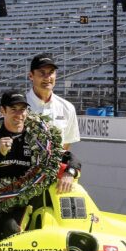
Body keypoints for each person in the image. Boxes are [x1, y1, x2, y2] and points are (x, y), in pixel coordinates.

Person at [0, 91, 64, 247]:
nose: (19, 114)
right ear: (2, 111)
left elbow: (64, 156)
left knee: (12, 231)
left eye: (22, 109)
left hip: (19, 204)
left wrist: (70, 172)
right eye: (13, 109)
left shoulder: (37, 138)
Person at [25, 55, 81, 193]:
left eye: (51, 73)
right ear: (31, 76)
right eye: (42, 73)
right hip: (22, 179)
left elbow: (65, 147)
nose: (47, 77)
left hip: (53, 181)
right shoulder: (18, 107)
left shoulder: (67, 108)